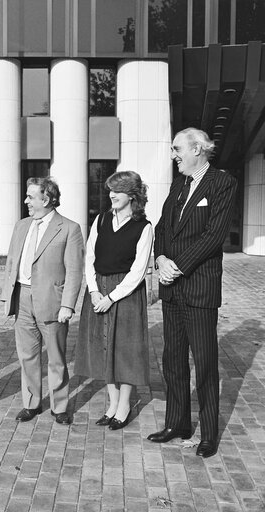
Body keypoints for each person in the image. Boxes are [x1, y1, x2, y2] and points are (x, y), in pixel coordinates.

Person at [147, 128, 237, 458]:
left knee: (205, 363)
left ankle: (209, 434)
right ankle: (178, 423)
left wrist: (176, 265)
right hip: (172, 291)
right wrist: (160, 258)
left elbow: (214, 236)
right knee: (173, 361)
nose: (174, 155)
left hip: (198, 289)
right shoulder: (179, 184)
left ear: (197, 149)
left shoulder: (222, 183)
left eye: (177, 149)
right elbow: (161, 228)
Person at [74, 171, 153, 430]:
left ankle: (124, 405)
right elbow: (90, 258)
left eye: (117, 191)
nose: (111, 195)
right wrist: (95, 291)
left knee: (125, 349)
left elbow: (138, 271)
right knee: (102, 346)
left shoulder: (144, 227)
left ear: (132, 195)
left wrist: (111, 297)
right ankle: (112, 402)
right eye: (110, 190)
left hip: (126, 294)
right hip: (99, 289)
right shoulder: (101, 219)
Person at [2, 177, 84, 425]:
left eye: (30, 197)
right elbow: (11, 262)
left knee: (56, 358)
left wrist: (68, 305)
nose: (26, 201)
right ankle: (31, 404)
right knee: (27, 356)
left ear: (46, 199)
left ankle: (59, 407)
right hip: (22, 298)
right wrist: (9, 295)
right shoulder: (22, 225)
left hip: (52, 301)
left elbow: (74, 271)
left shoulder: (69, 228)